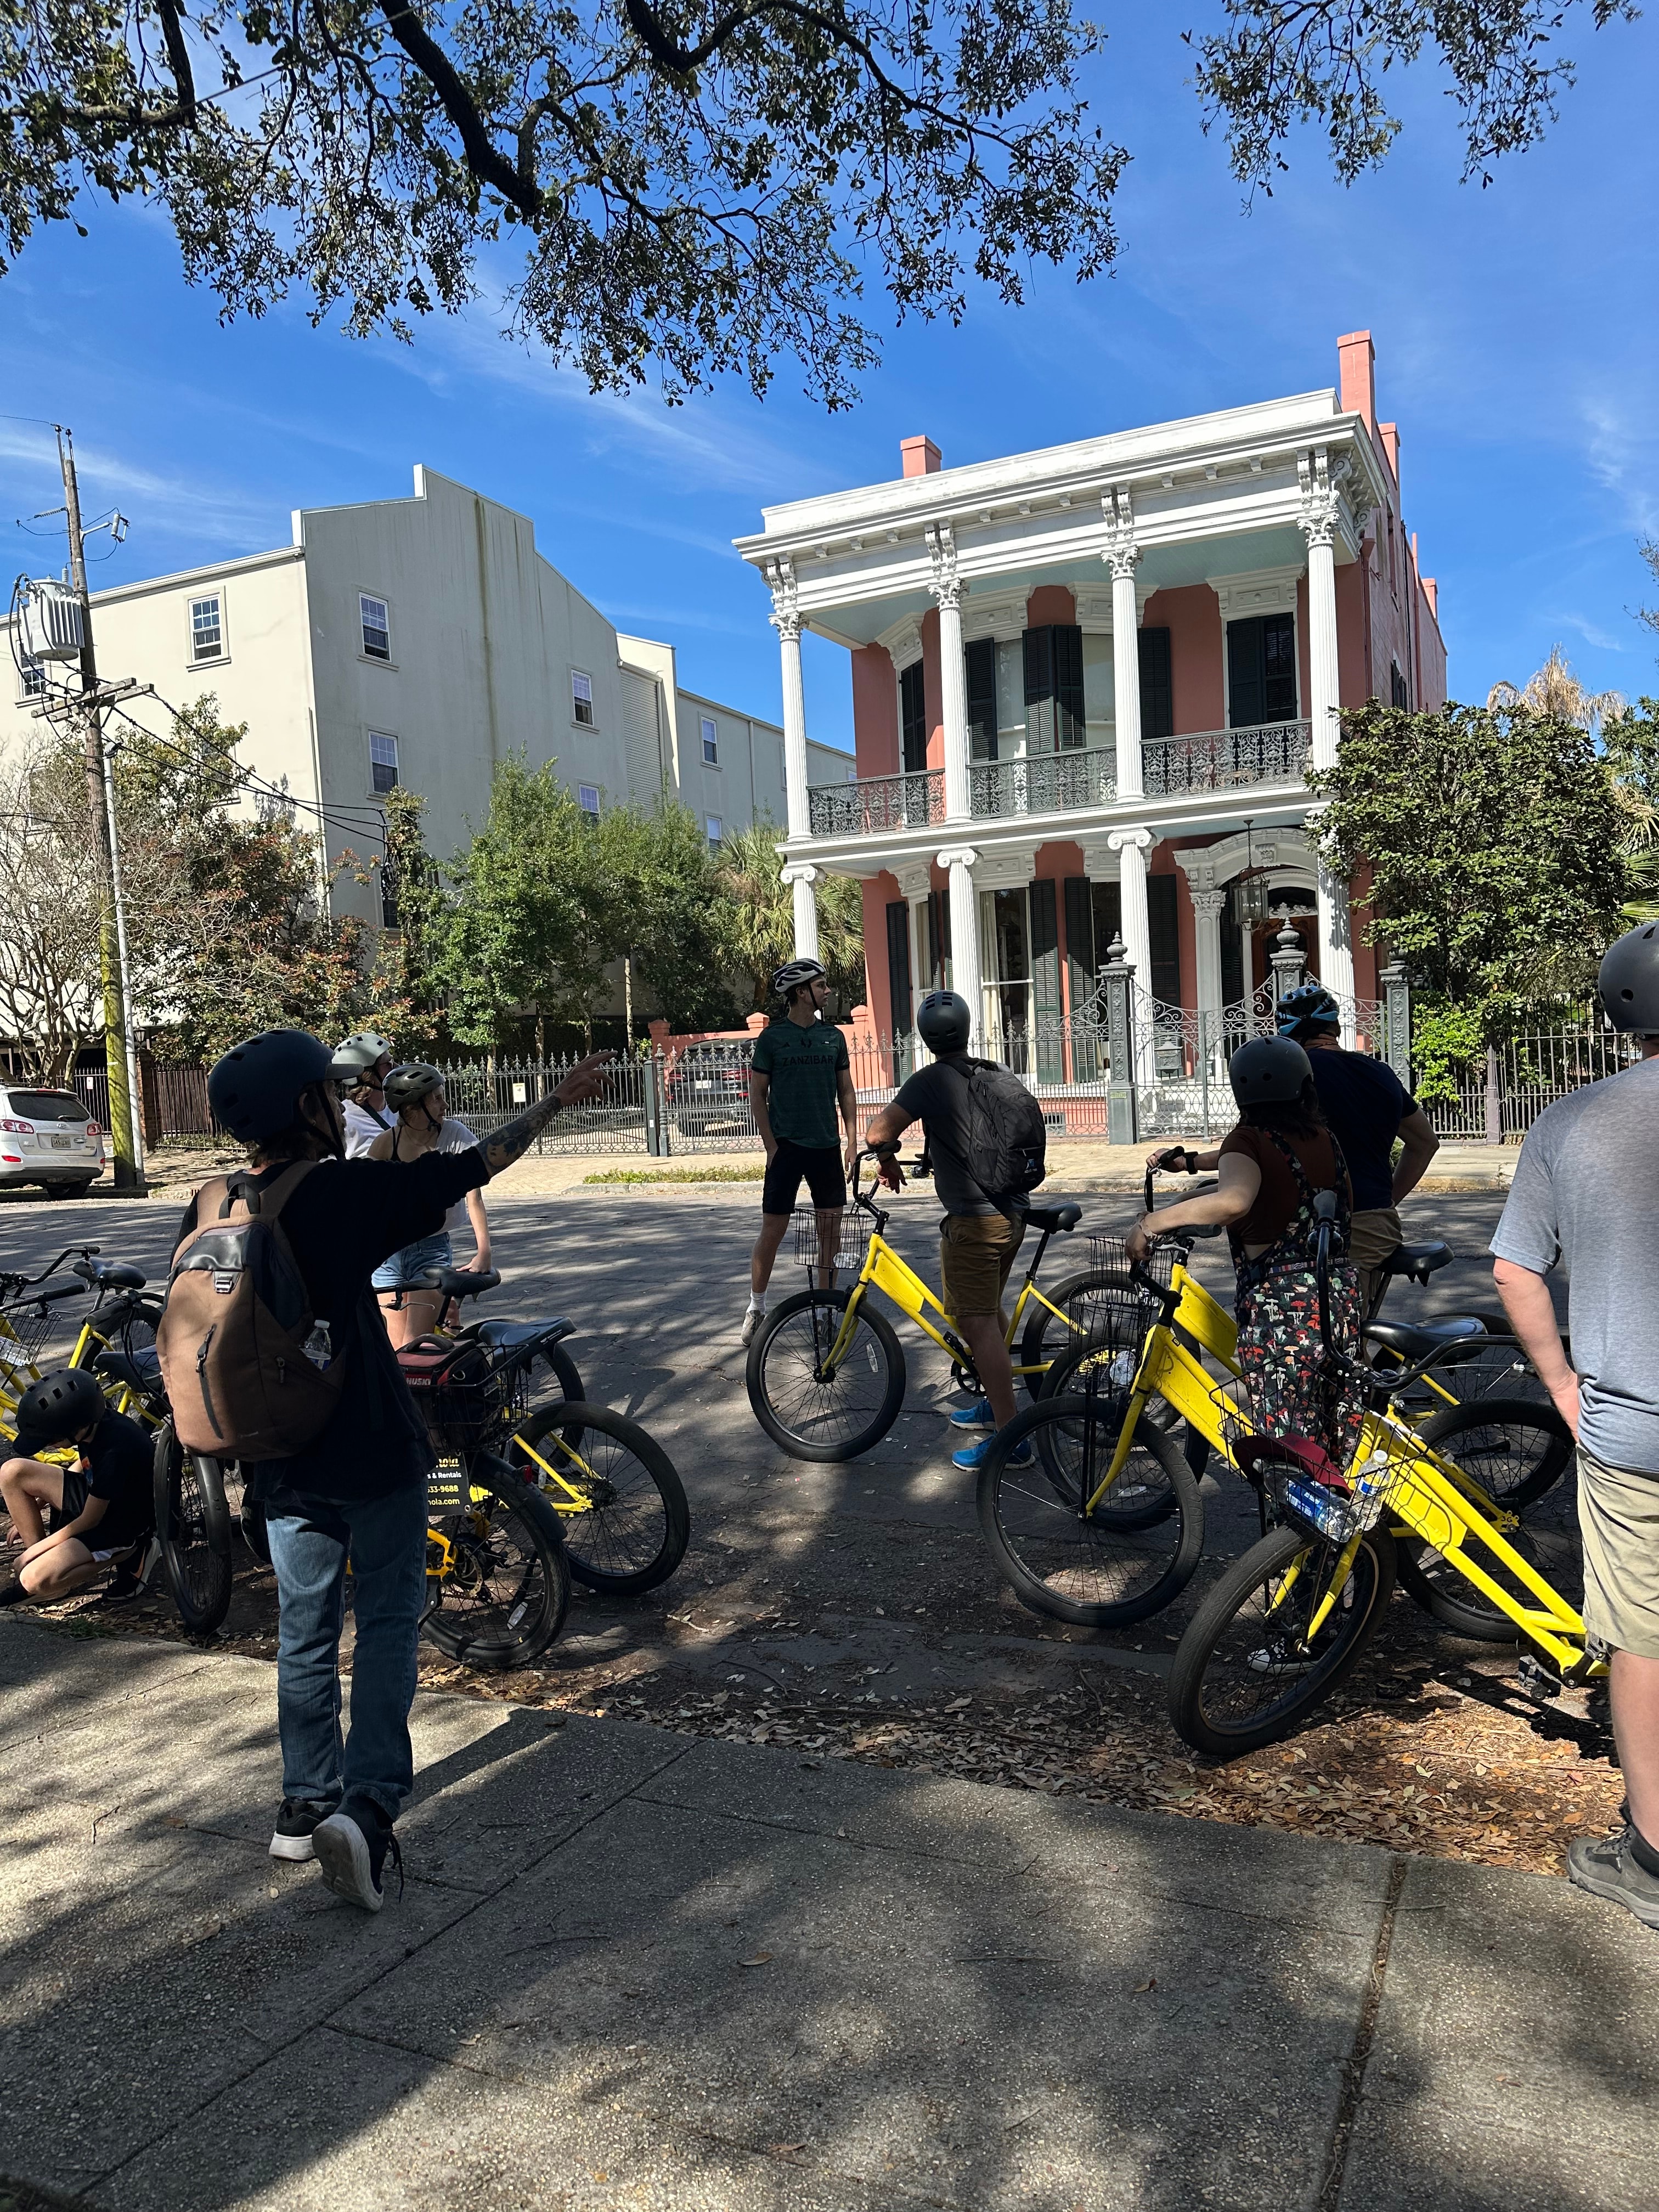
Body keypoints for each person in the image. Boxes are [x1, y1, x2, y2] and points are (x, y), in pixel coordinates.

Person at [185, 1028, 610, 1910]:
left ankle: (302, 1806)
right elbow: (462, 1171)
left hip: (276, 1462)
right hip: (370, 1449)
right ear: (310, 1106)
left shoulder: (209, 1204)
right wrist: (556, 1101)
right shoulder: (334, 1193)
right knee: (384, 1623)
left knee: (304, 1630)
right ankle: (368, 1809)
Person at [1490, 920, 1659, 1929]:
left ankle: (1648, 1852)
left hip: (1630, 1433)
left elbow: (1514, 1269)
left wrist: (1558, 1385)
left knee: (1640, 1641)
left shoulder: (1568, 1122)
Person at [1127, 1035, 1364, 1472]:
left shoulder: (1248, 1140)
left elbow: (1234, 1198)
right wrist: (1191, 1162)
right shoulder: (1321, 1138)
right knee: (1333, 1443)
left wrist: (1152, 1222)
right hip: (1338, 1299)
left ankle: (1296, 1540)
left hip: (1282, 1315)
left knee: (1290, 1451)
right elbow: (1254, 1159)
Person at [1149, 982, 1438, 1315]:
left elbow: (1258, 1147)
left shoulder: (1299, 1078)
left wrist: (1190, 1163)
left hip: (1326, 1231)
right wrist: (1384, 1201)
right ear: (1337, 1028)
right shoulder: (1381, 1074)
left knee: (1326, 1356)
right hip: (1377, 1226)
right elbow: (1425, 1144)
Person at [860, 989, 1033, 1473]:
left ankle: (1011, 1438)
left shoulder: (930, 1080)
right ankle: (996, 1401)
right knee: (982, 1313)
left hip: (976, 1222)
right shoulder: (992, 1071)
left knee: (976, 1324)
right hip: (1012, 1211)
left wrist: (887, 1160)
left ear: (925, 1035)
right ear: (967, 1028)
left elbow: (877, 1133)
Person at [742, 957, 859, 1346]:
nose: (827, 992)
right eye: (821, 986)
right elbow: (758, 1097)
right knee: (773, 1231)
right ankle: (757, 1306)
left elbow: (846, 1091)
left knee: (831, 1232)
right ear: (801, 992)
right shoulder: (772, 1038)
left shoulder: (833, 1037)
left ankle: (826, 1310)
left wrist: (852, 1140)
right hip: (787, 1149)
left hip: (826, 1146)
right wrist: (771, 1146)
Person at [0, 1370, 154, 1609]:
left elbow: (88, 1521)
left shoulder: (115, 1451)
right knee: (12, 1472)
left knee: (31, 1576)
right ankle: (49, 1577)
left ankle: (136, 1549)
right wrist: (44, 1496)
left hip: (121, 1522)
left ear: (76, 1429)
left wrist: (40, 1550)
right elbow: (86, 1463)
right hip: (101, 1498)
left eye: (51, 1440)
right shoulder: (92, 1421)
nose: (49, 1446)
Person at [366, 1064, 491, 1347]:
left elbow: (475, 1197)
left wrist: (484, 1252)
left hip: (431, 1251)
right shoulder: (387, 1143)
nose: (445, 1104)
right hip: (389, 1254)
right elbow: (369, 1203)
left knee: (415, 1343)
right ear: (411, 1107)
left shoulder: (454, 1135)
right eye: (436, 1098)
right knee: (393, 1349)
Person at [331, 1031, 398, 1158]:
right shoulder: (344, 1119)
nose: (395, 1066)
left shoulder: (397, 1110)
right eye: (387, 1063)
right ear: (367, 1076)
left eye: (392, 1061)